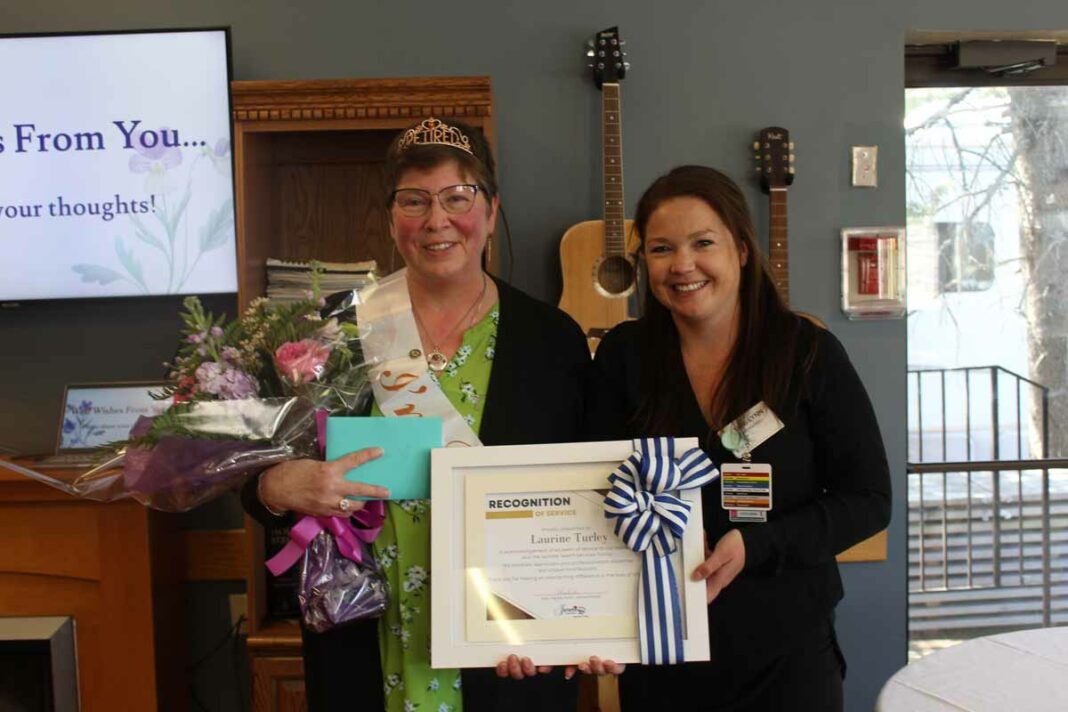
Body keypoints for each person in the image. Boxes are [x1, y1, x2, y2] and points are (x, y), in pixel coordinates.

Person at [243, 117, 605, 711]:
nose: (436, 221)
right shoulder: (327, 333)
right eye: (414, 201)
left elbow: (588, 493)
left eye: (457, 198)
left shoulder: (551, 340)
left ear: (490, 210)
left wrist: (577, 616)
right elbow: (253, 483)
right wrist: (281, 484)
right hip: (366, 631)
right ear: (391, 218)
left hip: (507, 640)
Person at [586, 165, 892, 711]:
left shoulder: (807, 353)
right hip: (663, 658)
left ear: (742, 251)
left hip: (787, 658)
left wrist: (757, 545)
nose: (683, 265)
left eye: (703, 243)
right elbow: (589, 496)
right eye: (660, 249)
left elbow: (869, 502)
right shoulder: (623, 358)